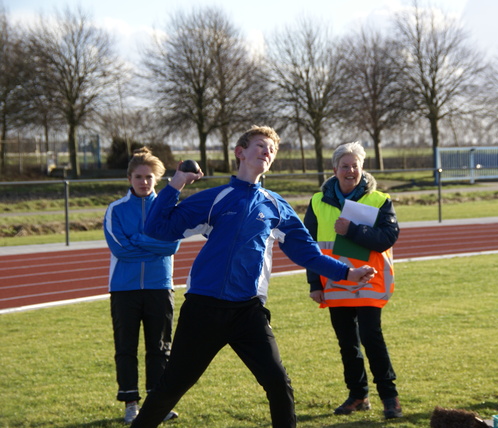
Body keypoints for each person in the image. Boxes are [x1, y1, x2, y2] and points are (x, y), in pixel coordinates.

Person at [130, 126, 376, 428]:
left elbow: (308, 253)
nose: (266, 151)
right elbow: (156, 227)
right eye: (260, 145)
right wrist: (176, 183)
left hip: (247, 312)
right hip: (203, 309)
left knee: (278, 384)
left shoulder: (276, 205)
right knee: (170, 388)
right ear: (240, 152)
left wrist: (348, 273)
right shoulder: (216, 197)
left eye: (271, 149)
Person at [304, 142, 402, 419]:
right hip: (335, 283)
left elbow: (387, 237)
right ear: (334, 169)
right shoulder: (317, 201)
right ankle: (358, 395)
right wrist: (314, 284)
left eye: (355, 166)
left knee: (372, 338)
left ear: (362, 169)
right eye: (345, 166)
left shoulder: (379, 200)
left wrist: (353, 230)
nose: (350, 171)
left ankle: (389, 397)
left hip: (369, 282)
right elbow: (308, 246)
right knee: (347, 343)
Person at [104, 148, 180, 424]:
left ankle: (157, 405)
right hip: (124, 289)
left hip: (160, 285)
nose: (143, 182)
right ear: (129, 178)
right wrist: (153, 246)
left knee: (160, 348)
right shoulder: (116, 210)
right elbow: (120, 249)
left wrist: (137, 238)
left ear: (157, 179)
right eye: (138, 176)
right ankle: (130, 404)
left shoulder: (169, 208)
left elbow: (171, 245)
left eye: (149, 177)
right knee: (126, 348)